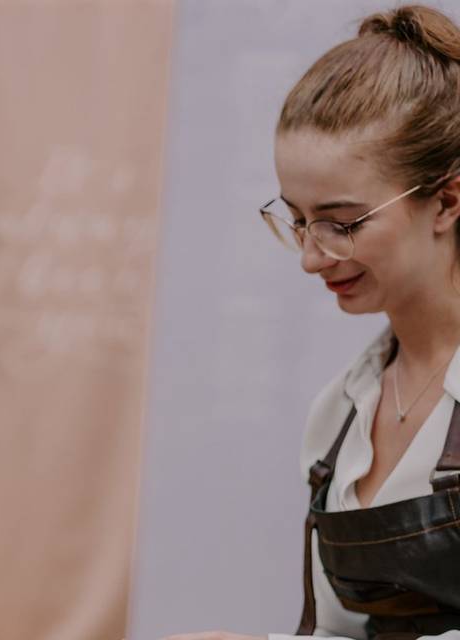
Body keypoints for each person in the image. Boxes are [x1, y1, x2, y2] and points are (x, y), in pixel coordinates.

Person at [162, 5, 460, 640]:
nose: (310, 257)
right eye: (297, 218)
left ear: (449, 200)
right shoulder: (339, 419)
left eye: (343, 223)